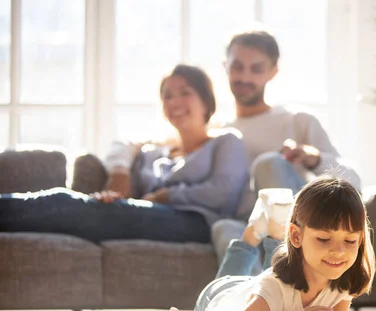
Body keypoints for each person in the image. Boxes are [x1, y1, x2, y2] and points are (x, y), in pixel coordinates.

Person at [0, 65, 248, 244]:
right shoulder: (153, 152)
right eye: (167, 96)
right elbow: (132, 188)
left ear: (206, 99)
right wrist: (115, 190)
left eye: (185, 92)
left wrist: (165, 195)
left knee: (64, 203)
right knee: (77, 207)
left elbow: (223, 194)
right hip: (149, 217)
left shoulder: (226, 141)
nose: (175, 102)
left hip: (197, 223)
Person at [170, 176, 376, 311]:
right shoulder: (274, 288)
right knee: (240, 278)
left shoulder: (342, 284)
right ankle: (252, 235)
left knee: (281, 271)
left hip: (274, 279)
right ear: (296, 236)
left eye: (351, 241)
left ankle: (273, 229)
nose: (339, 252)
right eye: (324, 239)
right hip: (221, 295)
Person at [211, 29, 362, 266]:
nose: (244, 76)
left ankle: (291, 265)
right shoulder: (217, 131)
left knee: (267, 164)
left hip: (297, 225)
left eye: (257, 68)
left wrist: (314, 159)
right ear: (225, 66)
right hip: (249, 224)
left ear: (273, 71)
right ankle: (254, 300)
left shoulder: (297, 121)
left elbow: (353, 182)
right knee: (224, 229)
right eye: (237, 66)